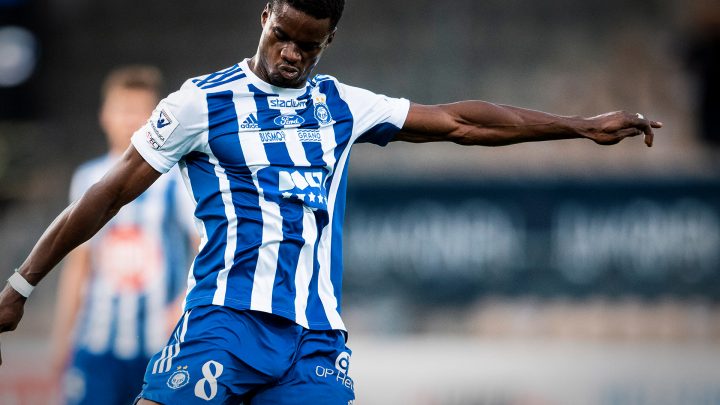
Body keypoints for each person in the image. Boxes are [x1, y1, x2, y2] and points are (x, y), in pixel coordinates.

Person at [0, 0, 661, 403]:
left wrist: (577, 124)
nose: (290, 52)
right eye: (282, 34)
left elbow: (461, 122)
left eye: (307, 44)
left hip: (314, 337)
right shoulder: (201, 103)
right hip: (224, 322)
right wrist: (22, 283)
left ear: (328, 42)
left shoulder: (342, 104)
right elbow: (109, 193)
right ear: (265, 15)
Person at [48, 66, 197, 404]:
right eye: (122, 109)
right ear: (105, 115)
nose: (130, 119)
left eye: (139, 110)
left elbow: (203, 249)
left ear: (155, 118)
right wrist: (62, 339)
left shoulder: (176, 179)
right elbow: (79, 266)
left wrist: (184, 305)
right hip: (97, 342)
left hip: (158, 345)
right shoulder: (87, 178)